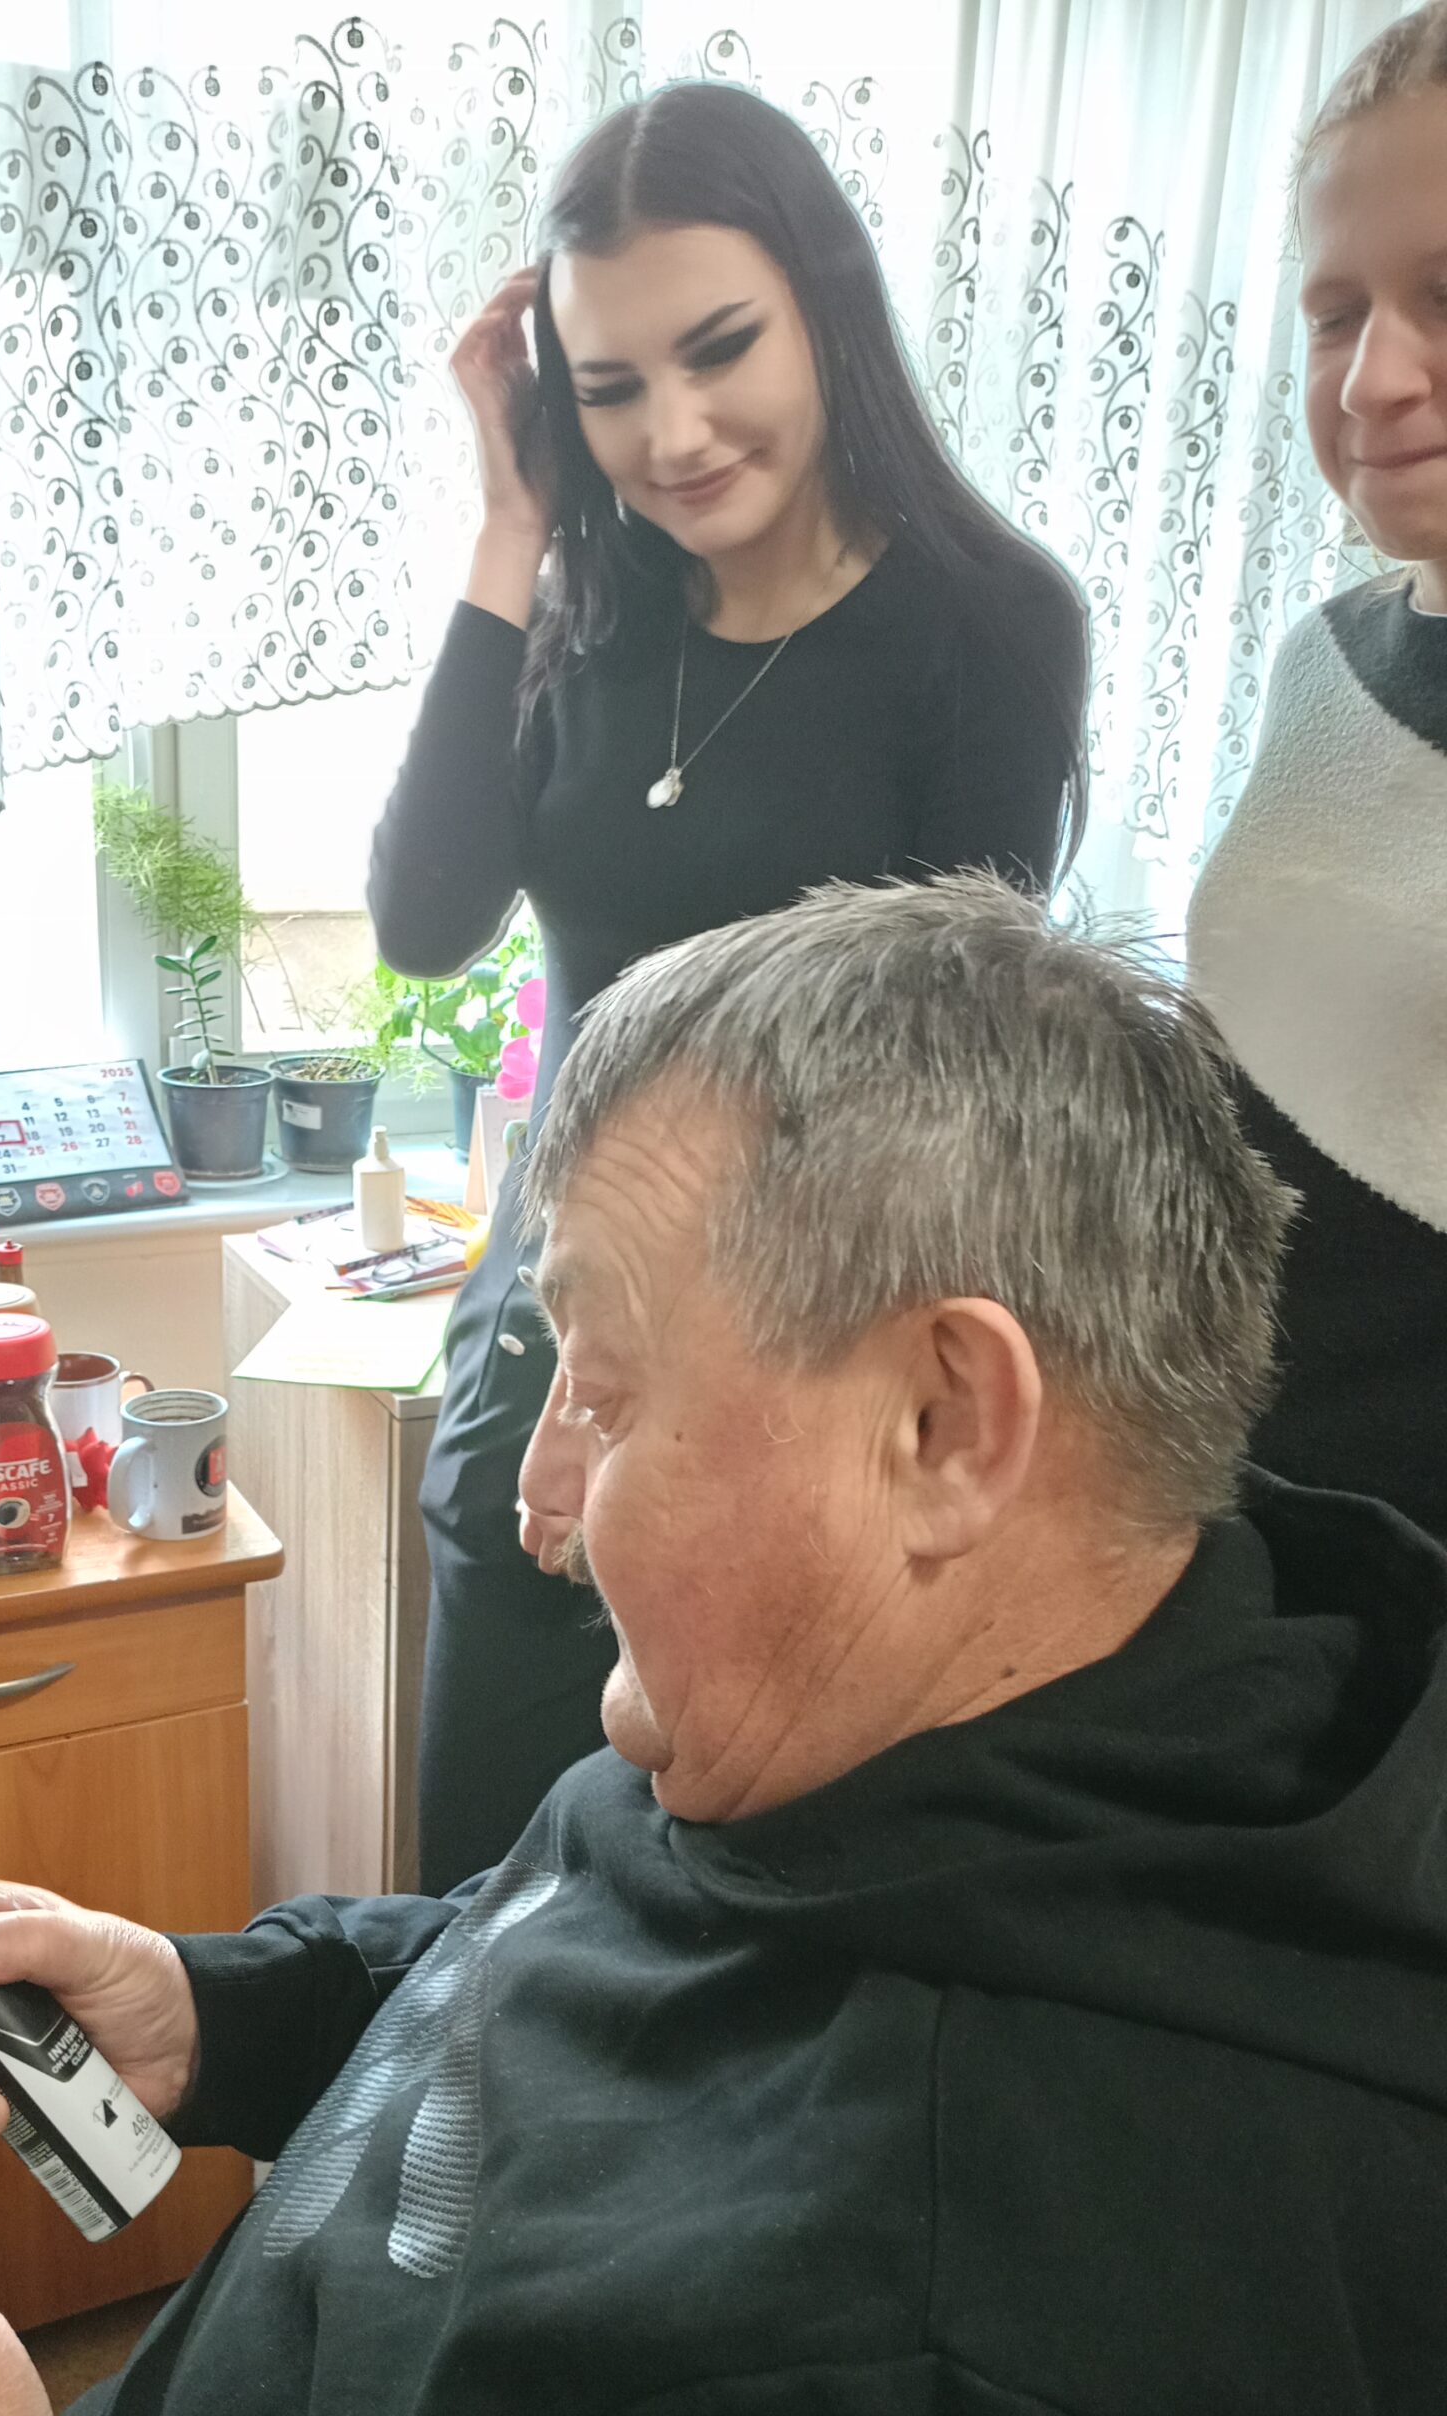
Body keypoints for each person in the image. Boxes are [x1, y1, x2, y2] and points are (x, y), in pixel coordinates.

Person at [0, 875, 1447, 2416]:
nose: (545, 1488)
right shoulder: (945, 1719)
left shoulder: (929, 2380)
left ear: (945, 1424)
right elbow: (573, 1963)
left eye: (603, 1386)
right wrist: (218, 2016)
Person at [369, 80, 1091, 1890]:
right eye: (609, 386)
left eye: (719, 350)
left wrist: (626, 1390)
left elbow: (940, 1080)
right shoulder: (590, 622)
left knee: (722, 1939)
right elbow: (424, 917)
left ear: (823, 306)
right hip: (540, 1357)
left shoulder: (986, 627)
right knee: (474, 1924)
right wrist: (512, 525)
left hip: (795, 1396)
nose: (672, 434)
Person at [1187, 0, 1447, 1537]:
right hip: (1235, 1516)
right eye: (1336, 312)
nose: (1370, 382)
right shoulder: (1325, 662)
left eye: (1445, 295)